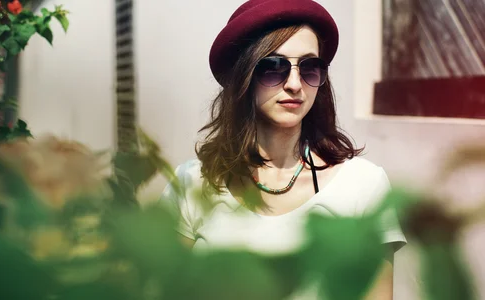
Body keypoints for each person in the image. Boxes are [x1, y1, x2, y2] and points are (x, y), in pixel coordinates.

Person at [160, 0, 407, 299]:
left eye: (309, 67)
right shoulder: (192, 184)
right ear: (244, 76)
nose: (294, 84)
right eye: (273, 67)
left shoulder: (364, 186)